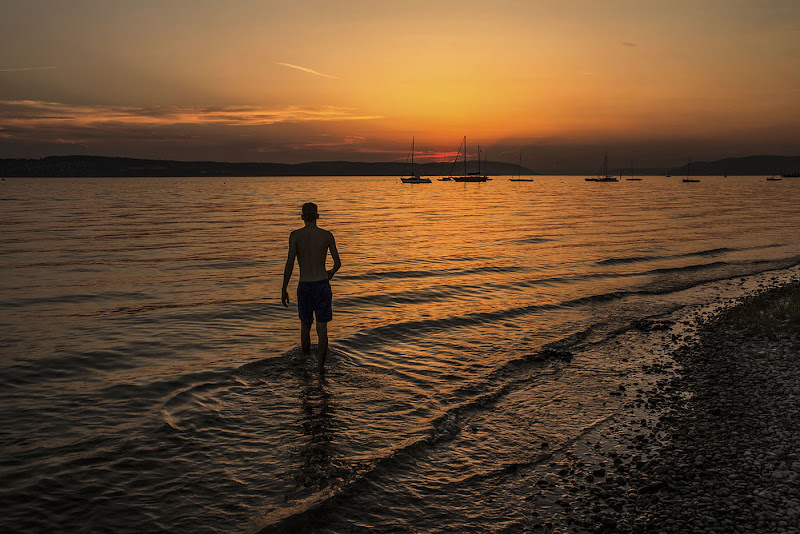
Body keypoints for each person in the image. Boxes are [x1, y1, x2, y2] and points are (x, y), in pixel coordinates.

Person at [282, 202, 341, 372]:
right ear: (317, 216)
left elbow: (290, 263)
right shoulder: (327, 235)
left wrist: (284, 288)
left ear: (301, 217)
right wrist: (330, 273)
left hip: (305, 285)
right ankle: (320, 368)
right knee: (322, 329)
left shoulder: (295, 236)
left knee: (305, 326)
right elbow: (338, 263)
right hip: (322, 284)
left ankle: (306, 363)